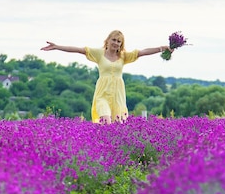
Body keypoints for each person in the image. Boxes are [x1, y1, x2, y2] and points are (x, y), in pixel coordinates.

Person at [41, 29, 171, 124]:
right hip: (102, 94)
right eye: (114, 40)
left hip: (118, 96)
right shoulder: (99, 53)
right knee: (106, 122)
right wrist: (57, 47)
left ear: (121, 44)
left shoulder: (124, 56)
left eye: (119, 41)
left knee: (118, 126)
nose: (116, 43)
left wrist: (161, 48)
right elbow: (78, 50)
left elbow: (142, 52)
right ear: (107, 41)